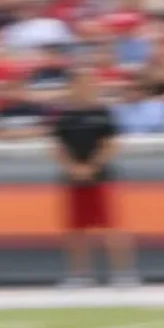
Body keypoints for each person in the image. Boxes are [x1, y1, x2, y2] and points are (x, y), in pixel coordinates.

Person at [52, 69, 139, 287]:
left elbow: (111, 144)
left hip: (100, 178)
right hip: (73, 179)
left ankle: (123, 274)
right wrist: (73, 167)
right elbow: (58, 147)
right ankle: (80, 275)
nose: (85, 88)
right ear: (72, 87)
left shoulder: (103, 113)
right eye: (80, 84)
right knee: (75, 231)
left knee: (112, 228)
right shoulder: (64, 116)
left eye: (89, 84)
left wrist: (93, 166)